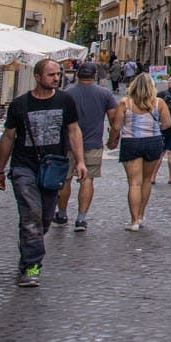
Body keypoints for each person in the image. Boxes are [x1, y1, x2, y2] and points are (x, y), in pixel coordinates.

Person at [0, 59, 86, 287]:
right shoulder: (20, 104)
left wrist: (81, 161)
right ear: (37, 76)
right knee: (31, 214)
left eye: (58, 74)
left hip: (53, 167)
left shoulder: (65, 101)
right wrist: (0, 169)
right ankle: (32, 266)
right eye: (51, 74)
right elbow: (8, 137)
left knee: (44, 218)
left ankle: (26, 254)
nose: (56, 78)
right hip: (24, 166)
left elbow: (73, 131)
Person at [55, 60, 118, 232]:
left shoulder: (66, 93)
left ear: (77, 74)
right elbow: (114, 119)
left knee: (65, 179)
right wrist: (114, 138)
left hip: (68, 144)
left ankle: (61, 214)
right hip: (92, 143)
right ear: (95, 75)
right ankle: (81, 219)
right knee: (87, 179)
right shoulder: (105, 94)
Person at [118, 72, 170, 230]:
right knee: (147, 180)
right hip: (152, 141)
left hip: (131, 142)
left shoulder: (125, 102)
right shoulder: (159, 103)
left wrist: (113, 138)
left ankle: (133, 221)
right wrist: (154, 127)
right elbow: (167, 123)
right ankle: (140, 215)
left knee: (134, 183)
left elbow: (116, 126)